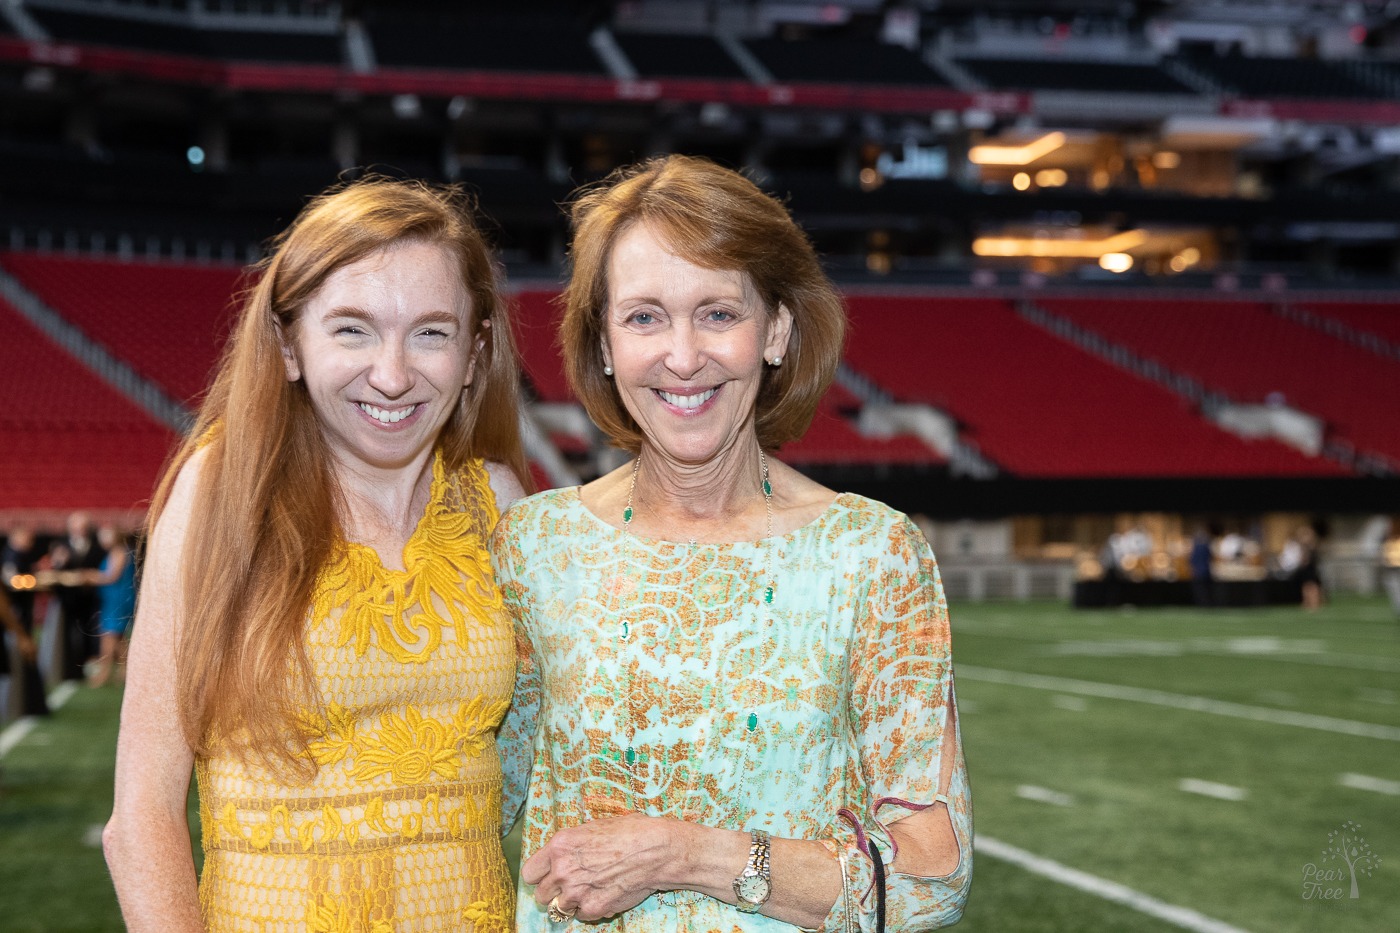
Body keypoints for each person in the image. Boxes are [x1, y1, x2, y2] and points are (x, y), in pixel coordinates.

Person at [492, 154, 971, 931]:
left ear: (776, 329)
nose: (683, 356)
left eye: (718, 313)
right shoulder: (535, 546)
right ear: (605, 345)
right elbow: (467, 811)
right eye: (644, 317)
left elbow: (932, 873)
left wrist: (687, 854)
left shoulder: (871, 553)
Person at [103, 176, 531, 932]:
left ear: (475, 353)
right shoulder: (221, 493)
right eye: (353, 329)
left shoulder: (499, 504)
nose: (393, 374)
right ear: (287, 343)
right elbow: (141, 818)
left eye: (431, 332)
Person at [85, 524, 137, 687]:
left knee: (108, 636)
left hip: (118, 599)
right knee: (118, 637)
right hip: (113, 598)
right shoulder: (117, 552)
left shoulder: (120, 552)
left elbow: (112, 576)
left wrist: (92, 577)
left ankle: (104, 672)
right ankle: (126, 671)